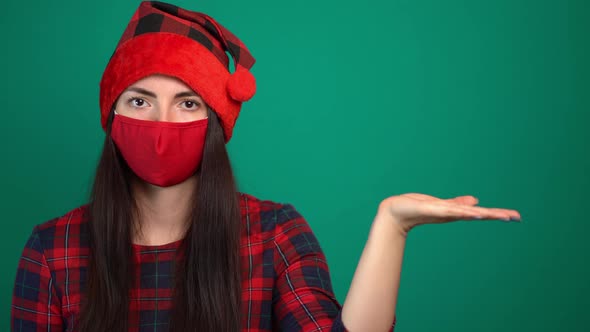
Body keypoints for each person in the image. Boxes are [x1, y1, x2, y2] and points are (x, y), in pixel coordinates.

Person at [10, 1, 521, 331]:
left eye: (188, 103)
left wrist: (393, 226)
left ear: (216, 122)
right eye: (139, 101)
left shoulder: (274, 234)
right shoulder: (52, 250)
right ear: (111, 115)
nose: (161, 123)